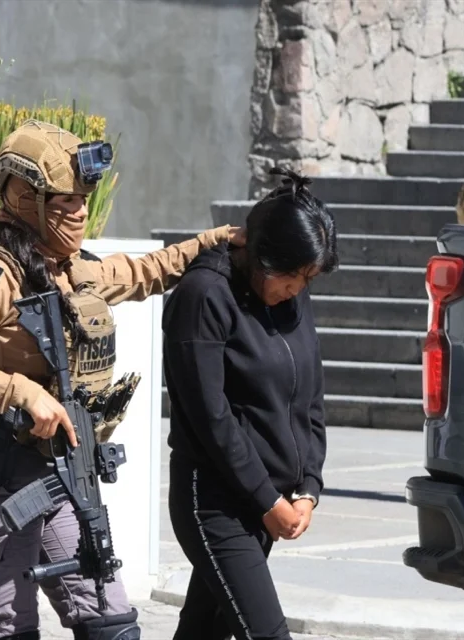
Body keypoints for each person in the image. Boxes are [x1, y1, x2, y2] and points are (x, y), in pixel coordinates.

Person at [0, 119, 244, 640]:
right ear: (25, 200)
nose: (80, 212)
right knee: (8, 628)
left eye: (83, 200)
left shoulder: (74, 269)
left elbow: (149, 270)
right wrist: (22, 392)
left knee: (111, 625)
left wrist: (221, 240)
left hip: (60, 474)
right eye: (66, 201)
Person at [162, 167, 339, 640]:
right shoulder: (204, 296)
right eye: (292, 275)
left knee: (202, 632)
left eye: (308, 278)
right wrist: (267, 500)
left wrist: (309, 486)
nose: (297, 289)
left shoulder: (290, 297)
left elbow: (310, 395)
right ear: (262, 255)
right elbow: (210, 417)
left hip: (270, 503)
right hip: (215, 503)